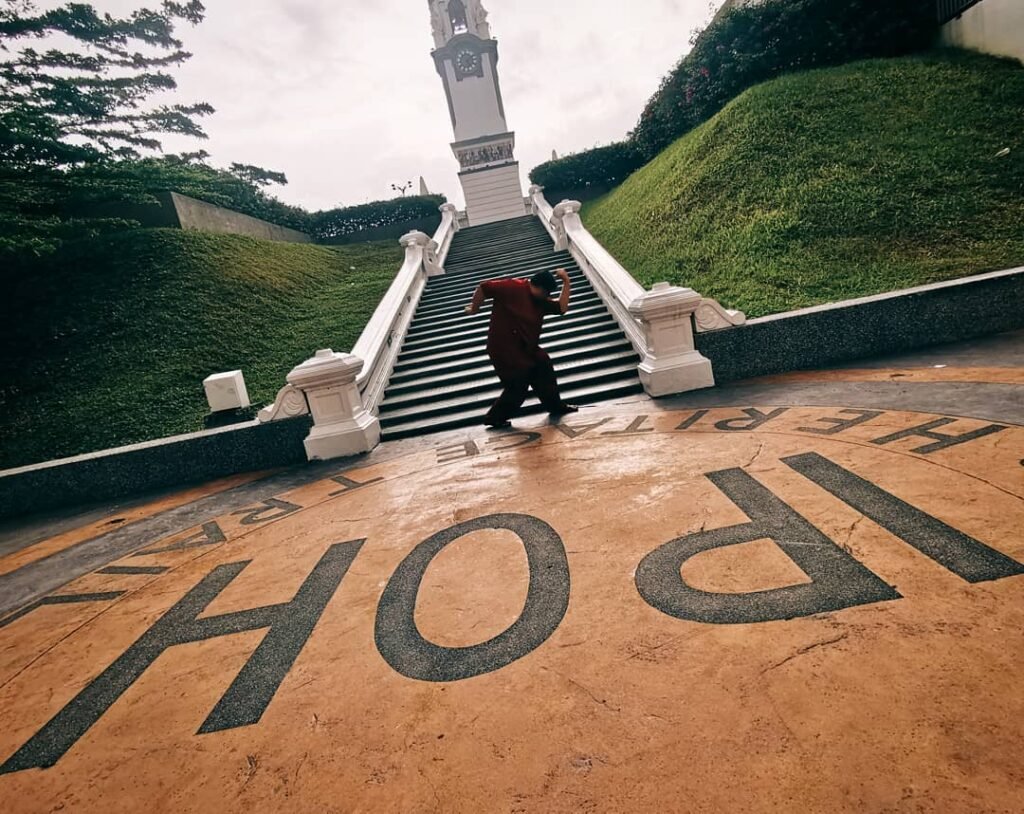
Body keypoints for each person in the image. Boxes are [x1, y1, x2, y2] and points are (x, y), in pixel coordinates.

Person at [465, 268, 579, 428]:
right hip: (504, 349)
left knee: (544, 365)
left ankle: (555, 406)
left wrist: (566, 282)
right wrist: (474, 309)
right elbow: (483, 288)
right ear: (538, 287)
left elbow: (561, 308)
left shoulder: (539, 300)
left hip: (527, 348)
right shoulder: (512, 287)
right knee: (517, 384)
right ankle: (494, 417)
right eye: (546, 293)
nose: (547, 298)